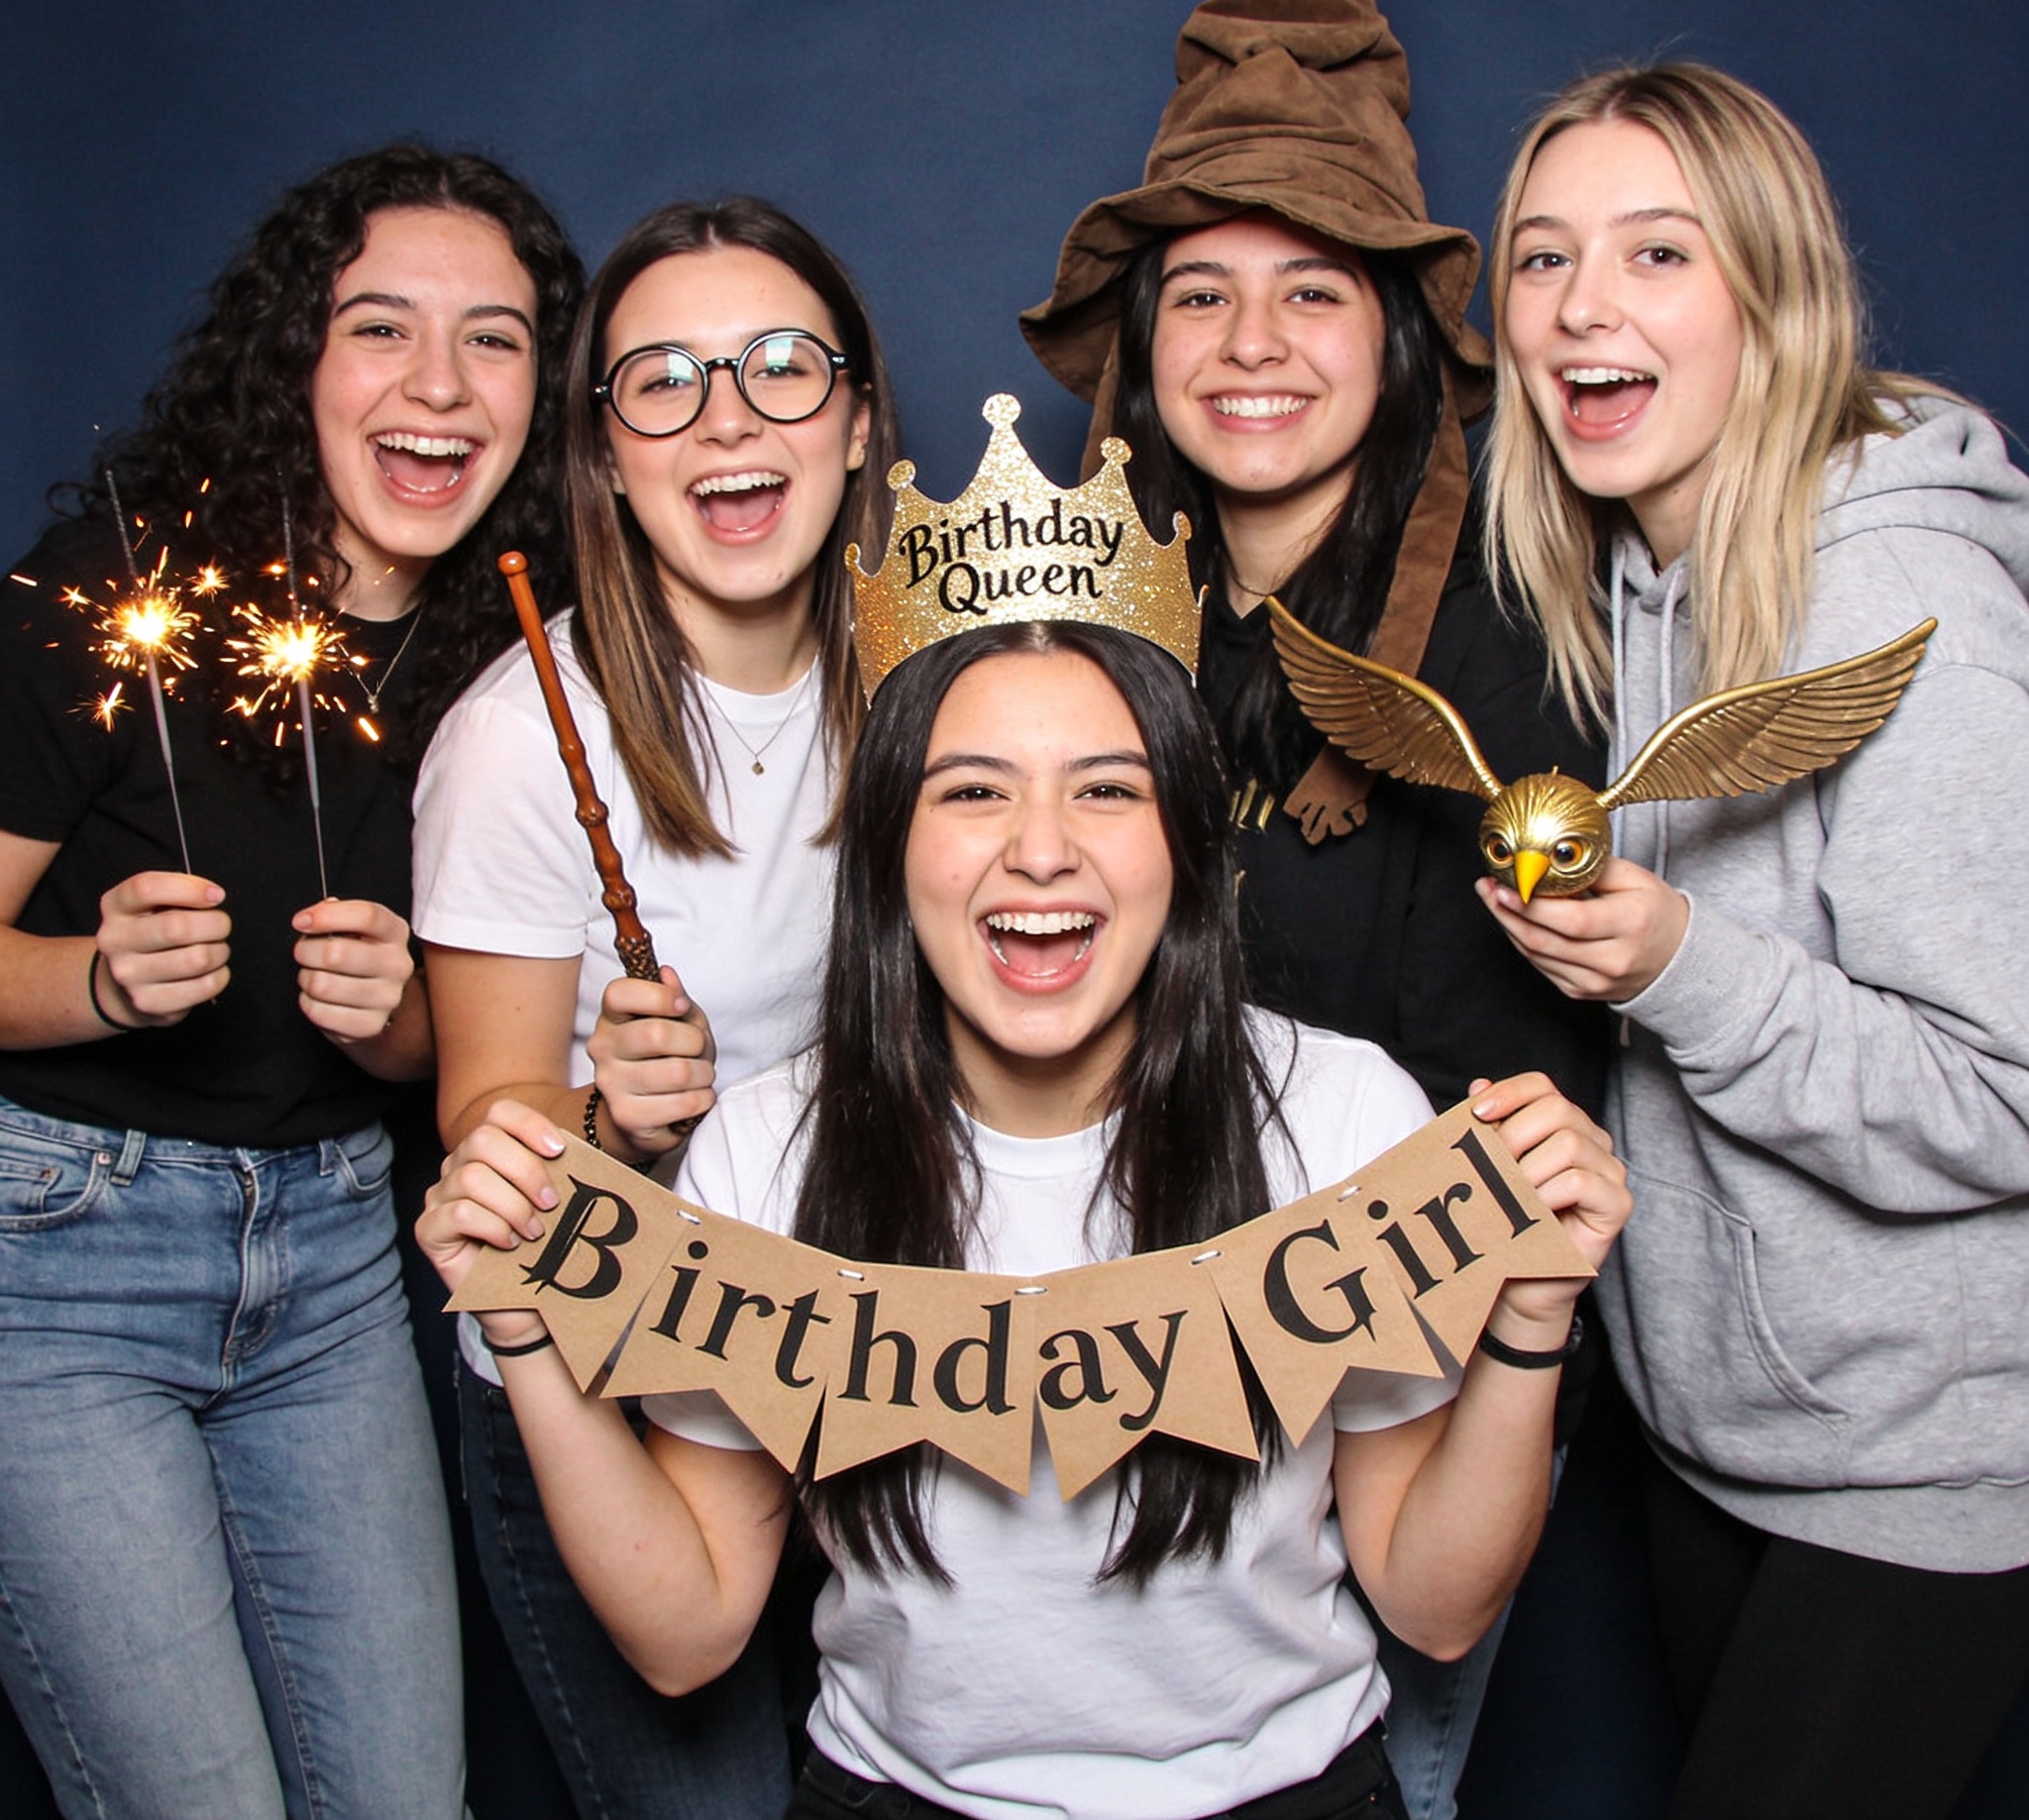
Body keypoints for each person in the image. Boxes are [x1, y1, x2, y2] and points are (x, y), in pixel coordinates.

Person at [417, 400, 1629, 1820]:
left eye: (1106, 790)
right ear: (890, 846)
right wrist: (528, 1331)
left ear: (1184, 843)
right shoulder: (768, 1148)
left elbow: (1431, 1610)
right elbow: (685, 1640)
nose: (1040, 850)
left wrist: (1532, 1323)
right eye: (972, 788)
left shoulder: (1345, 1116)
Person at [1019, 0, 1608, 1817]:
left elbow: (1528, 1084)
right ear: (1138, 343)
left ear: (1394, 338)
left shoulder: (1520, 660)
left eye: (1310, 294)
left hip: (1396, 1380)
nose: (1251, 346)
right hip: (1076, 1379)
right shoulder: (1059, 635)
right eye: (1201, 296)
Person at [0, 144, 583, 1818]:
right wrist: (94, 986)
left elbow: (449, 1060)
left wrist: (398, 1014)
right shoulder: (114, 604)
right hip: (58, 1265)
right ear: (295, 362)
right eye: (379, 328)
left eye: (496, 339)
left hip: (332, 1263)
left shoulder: (519, 658)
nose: (436, 385)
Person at [1479, 59, 2029, 1818]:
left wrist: (1677, 969)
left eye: (1657, 255)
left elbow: (2013, 1089)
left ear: (1771, 300)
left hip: (1922, 1472)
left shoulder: (1885, 589)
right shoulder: (1646, 573)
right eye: (1544, 258)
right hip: (1728, 1441)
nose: (1583, 308)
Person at [411, 195, 898, 1817]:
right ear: (606, 455)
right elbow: (480, 1124)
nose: (729, 418)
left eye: (778, 365)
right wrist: (609, 1118)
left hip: (873, 1343)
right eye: (663, 381)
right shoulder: (518, 743)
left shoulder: (934, 687)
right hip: (615, 1372)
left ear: (857, 416)